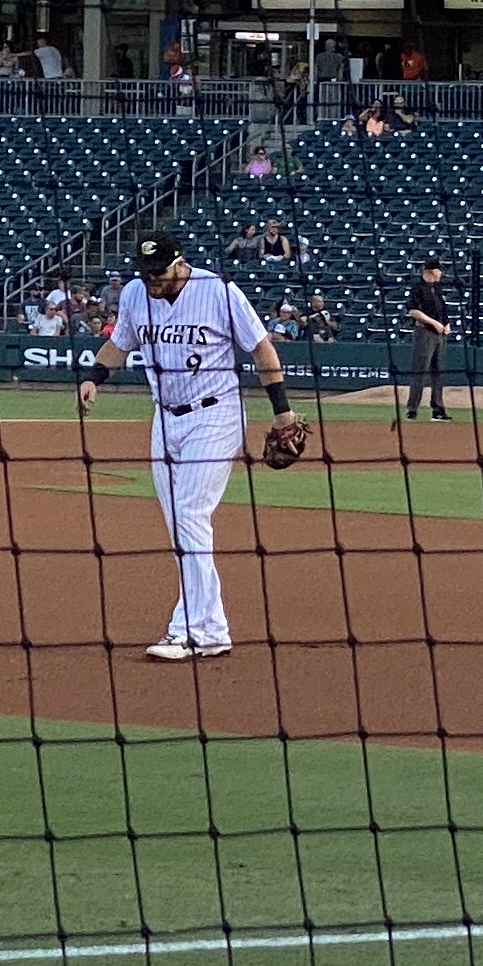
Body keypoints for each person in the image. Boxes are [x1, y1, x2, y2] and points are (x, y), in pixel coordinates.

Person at [76, 231, 299, 661]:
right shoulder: (137, 295)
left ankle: (194, 629)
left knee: (189, 514)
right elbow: (119, 343)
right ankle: (210, 626)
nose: (152, 280)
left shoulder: (218, 291)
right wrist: (93, 377)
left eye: (159, 272)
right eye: (146, 273)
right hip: (165, 418)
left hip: (215, 414)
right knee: (180, 525)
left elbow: (262, 349)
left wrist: (283, 411)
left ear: (180, 263)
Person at [399, 254, 453, 421]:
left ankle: (438, 409)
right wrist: (434, 323)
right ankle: (412, 409)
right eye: (439, 270)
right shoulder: (418, 288)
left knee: (438, 372)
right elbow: (412, 311)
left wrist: (447, 324)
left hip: (440, 334)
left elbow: (443, 310)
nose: (441, 274)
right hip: (424, 332)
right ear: (431, 271)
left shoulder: (438, 288)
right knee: (420, 371)